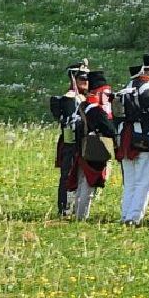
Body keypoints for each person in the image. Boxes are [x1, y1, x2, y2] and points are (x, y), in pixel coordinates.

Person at [115, 53, 149, 225]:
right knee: (143, 181)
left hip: (125, 137)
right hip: (145, 137)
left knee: (130, 181)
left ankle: (126, 214)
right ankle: (134, 217)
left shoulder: (129, 85)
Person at [70, 70, 115, 221]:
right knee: (89, 185)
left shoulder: (84, 105)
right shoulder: (95, 109)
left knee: (83, 181)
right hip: (94, 148)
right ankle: (82, 216)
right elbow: (108, 129)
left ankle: (78, 213)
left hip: (82, 147)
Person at [52, 60, 89, 218]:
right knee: (68, 174)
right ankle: (65, 208)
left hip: (83, 141)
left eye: (88, 79)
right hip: (71, 142)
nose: (86, 82)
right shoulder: (69, 98)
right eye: (82, 79)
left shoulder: (81, 97)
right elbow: (70, 123)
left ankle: (75, 207)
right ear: (74, 78)